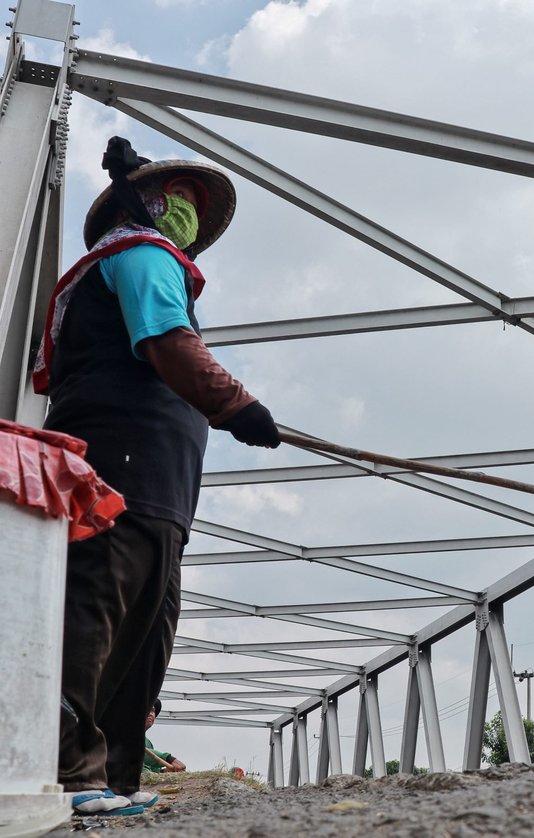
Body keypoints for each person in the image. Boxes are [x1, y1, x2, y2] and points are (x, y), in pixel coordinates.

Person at [34, 137, 280, 816]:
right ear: (146, 203)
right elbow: (168, 341)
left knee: (146, 633)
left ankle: (112, 781)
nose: (189, 219)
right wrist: (236, 404)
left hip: (161, 495)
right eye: (184, 203)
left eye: (198, 210)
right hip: (119, 471)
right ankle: (69, 779)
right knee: (93, 615)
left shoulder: (142, 259)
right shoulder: (139, 254)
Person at [143, 699, 186, 773]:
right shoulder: (123, 735)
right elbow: (137, 753)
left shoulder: (148, 743)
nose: (151, 714)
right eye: (147, 709)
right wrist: (169, 758)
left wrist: (164, 772)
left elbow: (151, 769)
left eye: (153, 710)